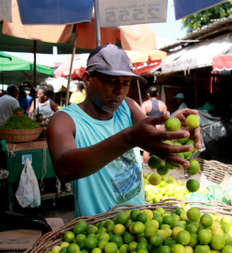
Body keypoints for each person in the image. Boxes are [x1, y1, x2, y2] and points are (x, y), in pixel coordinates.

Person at [47, 44, 201, 217]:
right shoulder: (65, 120)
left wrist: (176, 128)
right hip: (96, 232)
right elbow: (65, 169)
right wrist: (129, 138)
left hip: (139, 223)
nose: (119, 91)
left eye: (126, 83)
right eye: (111, 82)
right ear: (88, 79)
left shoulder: (127, 106)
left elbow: (151, 136)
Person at [140, 86, 168, 162]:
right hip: (160, 129)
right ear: (158, 94)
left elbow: (141, 119)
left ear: (148, 94)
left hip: (150, 129)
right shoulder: (163, 104)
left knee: (147, 149)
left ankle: (143, 167)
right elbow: (166, 118)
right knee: (160, 148)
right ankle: (160, 167)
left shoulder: (145, 104)